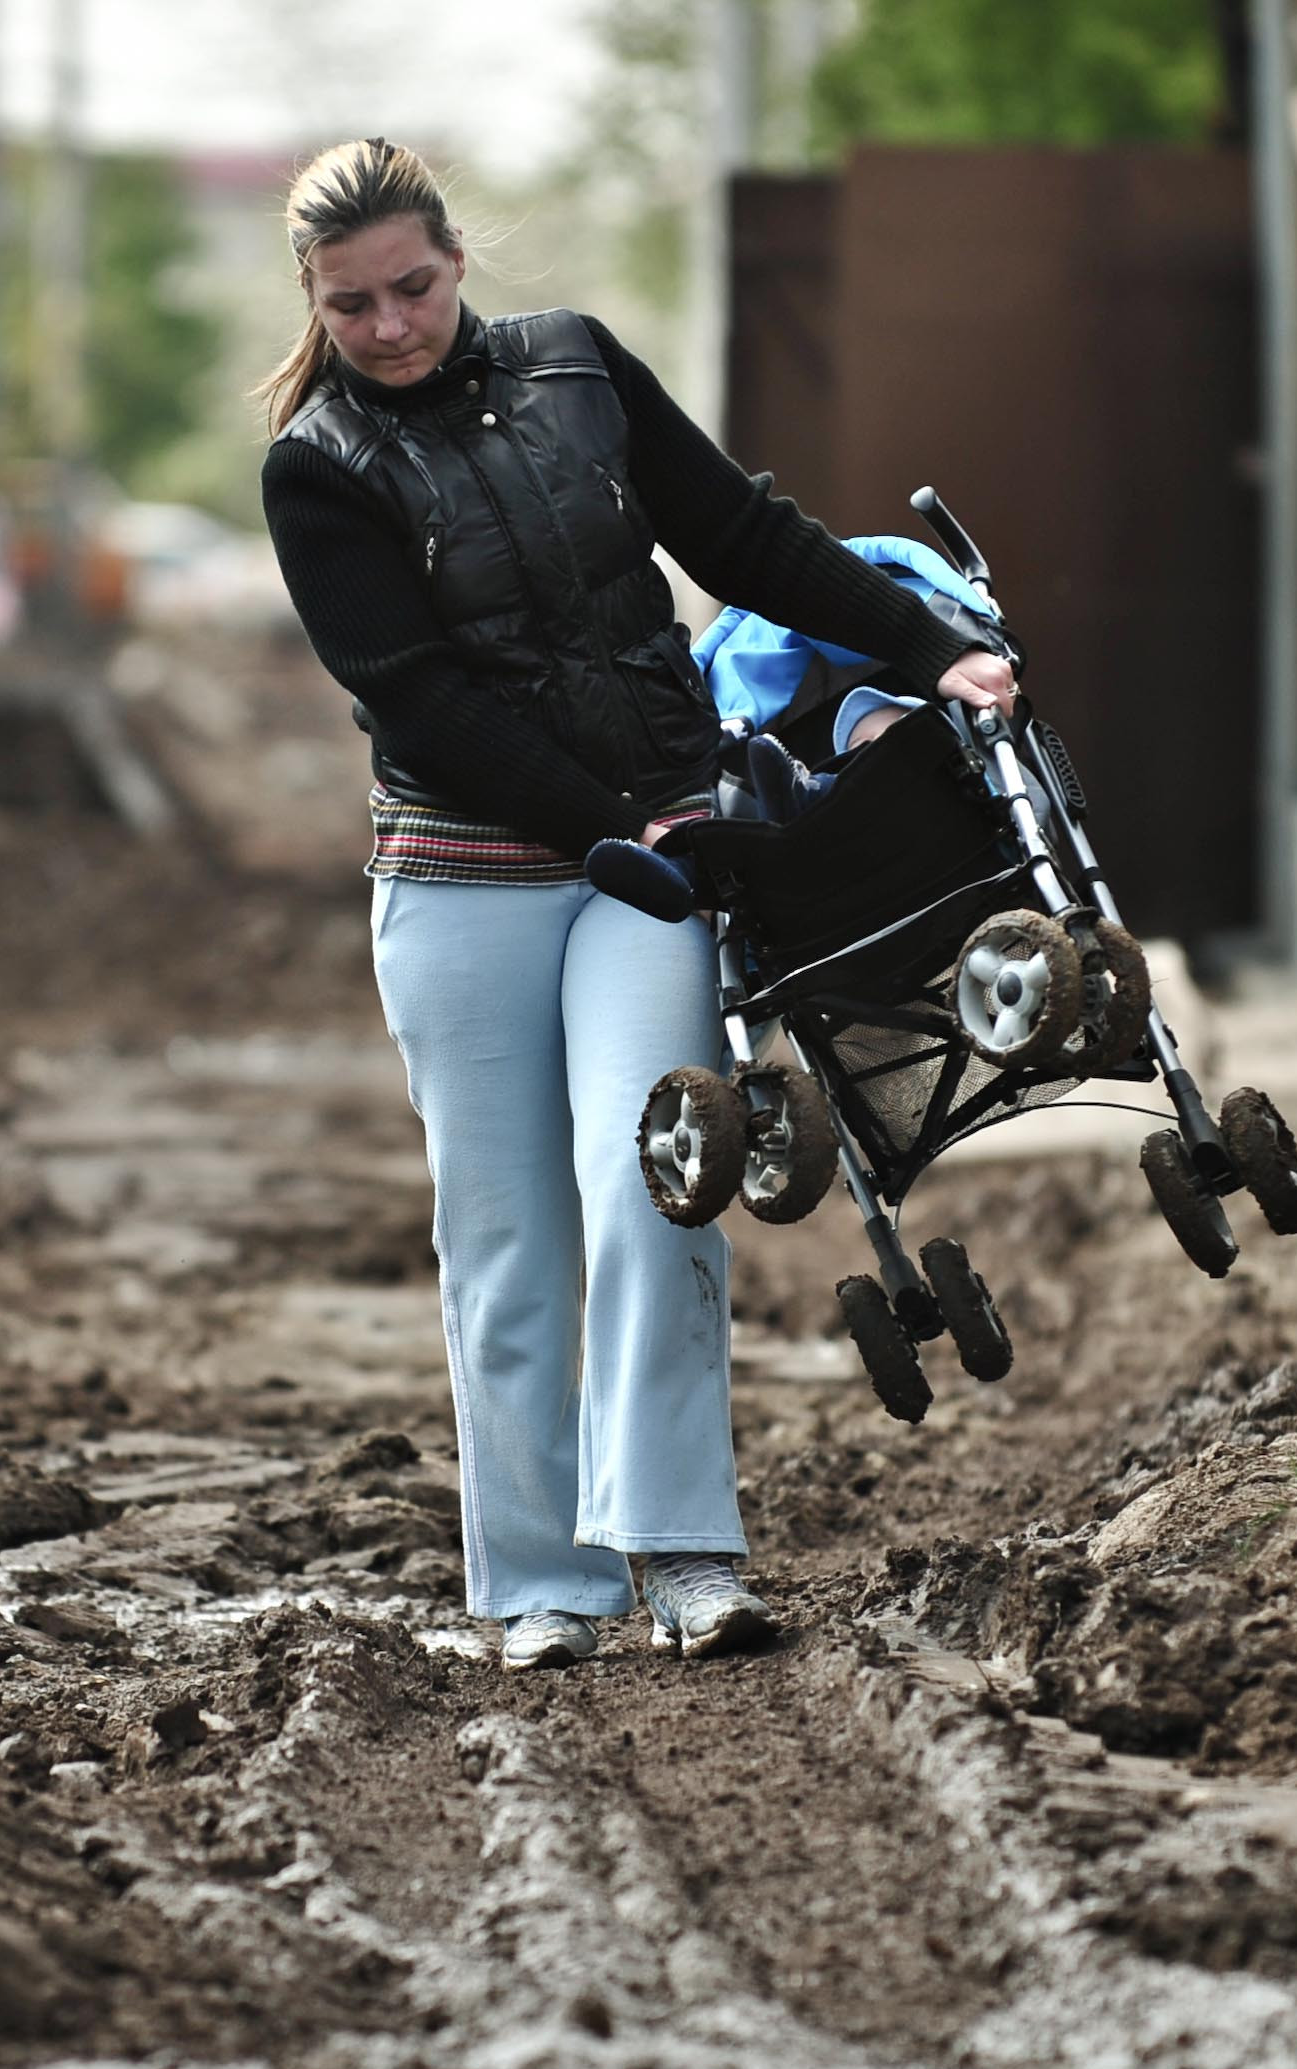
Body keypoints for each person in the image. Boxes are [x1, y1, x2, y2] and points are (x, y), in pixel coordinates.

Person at [257, 137, 1020, 1672]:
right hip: (467, 873)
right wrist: (611, 828)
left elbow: (744, 539)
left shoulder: (577, 372)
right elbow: (415, 701)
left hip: (654, 851)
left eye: (411, 287)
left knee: (662, 1178)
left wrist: (930, 642)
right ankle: (541, 1581)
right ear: (315, 305)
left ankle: (683, 1554)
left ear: (457, 259)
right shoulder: (317, 467)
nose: (391, 326)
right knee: (505, 1233)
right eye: (353, 307)